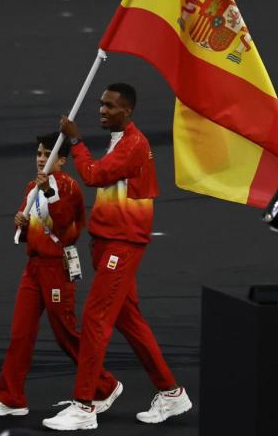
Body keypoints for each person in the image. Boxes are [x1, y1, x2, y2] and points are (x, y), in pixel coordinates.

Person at [42, 83, 191, 431]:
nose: (102, 110)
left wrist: (76, 141)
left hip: (121, 245)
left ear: (128, 111)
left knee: (95, 320)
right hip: (109, 242)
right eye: (101, 104)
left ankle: (83, 406)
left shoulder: (134, 144)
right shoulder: (121, 141)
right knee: (130, 321)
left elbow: (94, 175)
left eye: (110, 106)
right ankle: (172, 393)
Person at [0, 134, 123, 417]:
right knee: (20, 333)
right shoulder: (31, 186)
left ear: (61, 160)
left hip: (57, 269)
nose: (41, 159)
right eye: (39, 153)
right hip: (33, 268)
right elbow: (32, 229)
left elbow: (67, 230)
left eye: (48, 154)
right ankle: (11, 398)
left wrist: (49, 193)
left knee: (66, 335)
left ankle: (105, 385)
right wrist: (21, 225)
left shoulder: (69, 188)